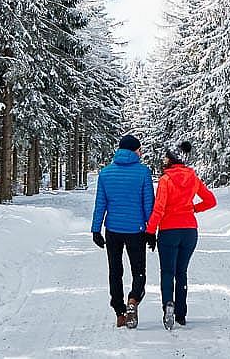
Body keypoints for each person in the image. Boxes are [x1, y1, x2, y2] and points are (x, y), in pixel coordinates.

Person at [145, 140, 216, 331]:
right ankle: (181, 314)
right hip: (189, 231)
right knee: (181, 272)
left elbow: (159, 209)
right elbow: (210, 201)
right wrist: (193, 208)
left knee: (168, 272)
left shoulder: (165, 180)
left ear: (172, 159)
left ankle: (168, 304)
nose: (164, 158)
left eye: (167, 156)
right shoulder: (193, 177)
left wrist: (150, 231)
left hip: (169, 230)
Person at [91, 133, 154, 328]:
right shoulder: (143, 172)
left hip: (113, 230)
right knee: (138, 272)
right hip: (136, 230)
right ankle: (133, 300)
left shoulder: (106, 173)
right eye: (139, 149)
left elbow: (100, 203)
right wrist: (151, 231)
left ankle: (119, 312)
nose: (141, 152)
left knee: (115, 272)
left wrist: (96, 229)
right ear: (135, 150)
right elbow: (148, 204)